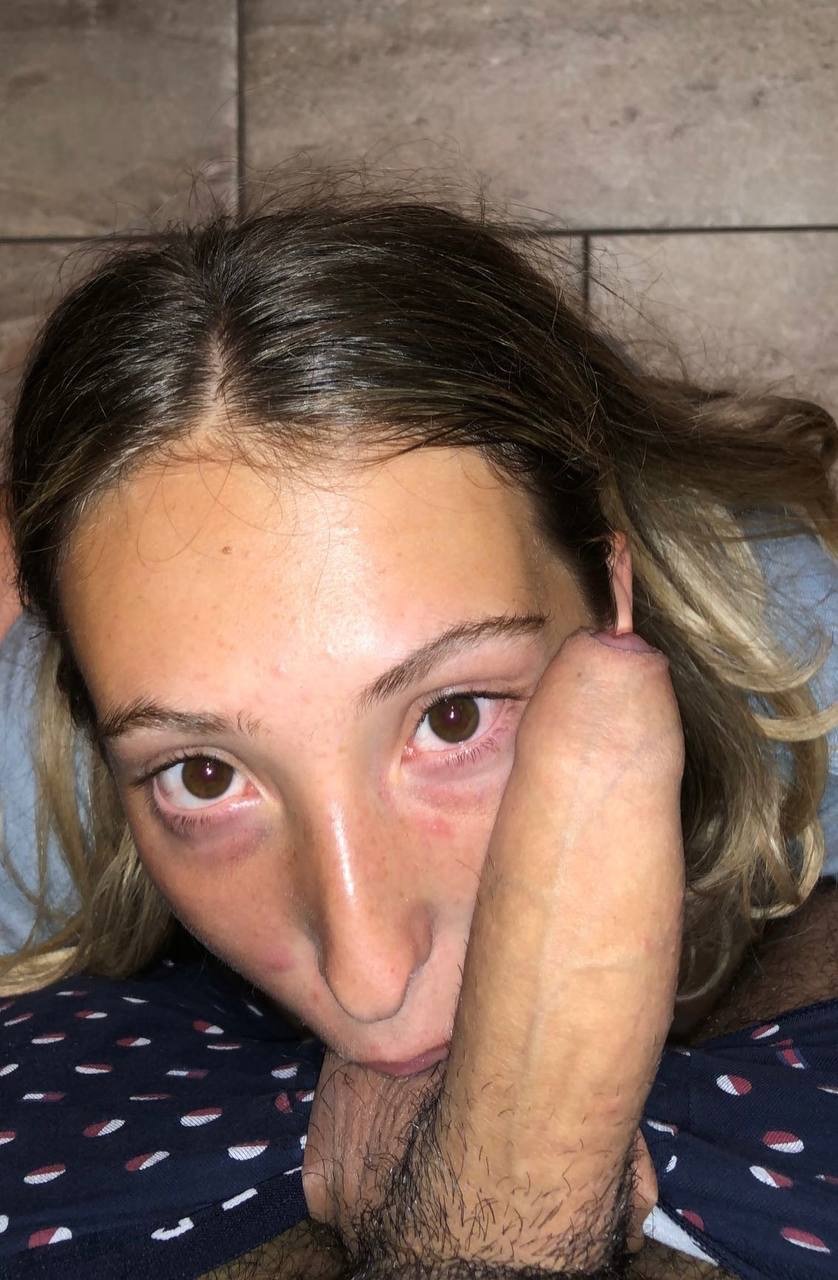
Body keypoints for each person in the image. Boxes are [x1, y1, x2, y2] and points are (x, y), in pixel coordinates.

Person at [0, 183, 835, 1279]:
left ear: (612, 588)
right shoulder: (40, 776)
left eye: (451, 717)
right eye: (202, 776)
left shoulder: (793, 631)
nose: (369, 975)